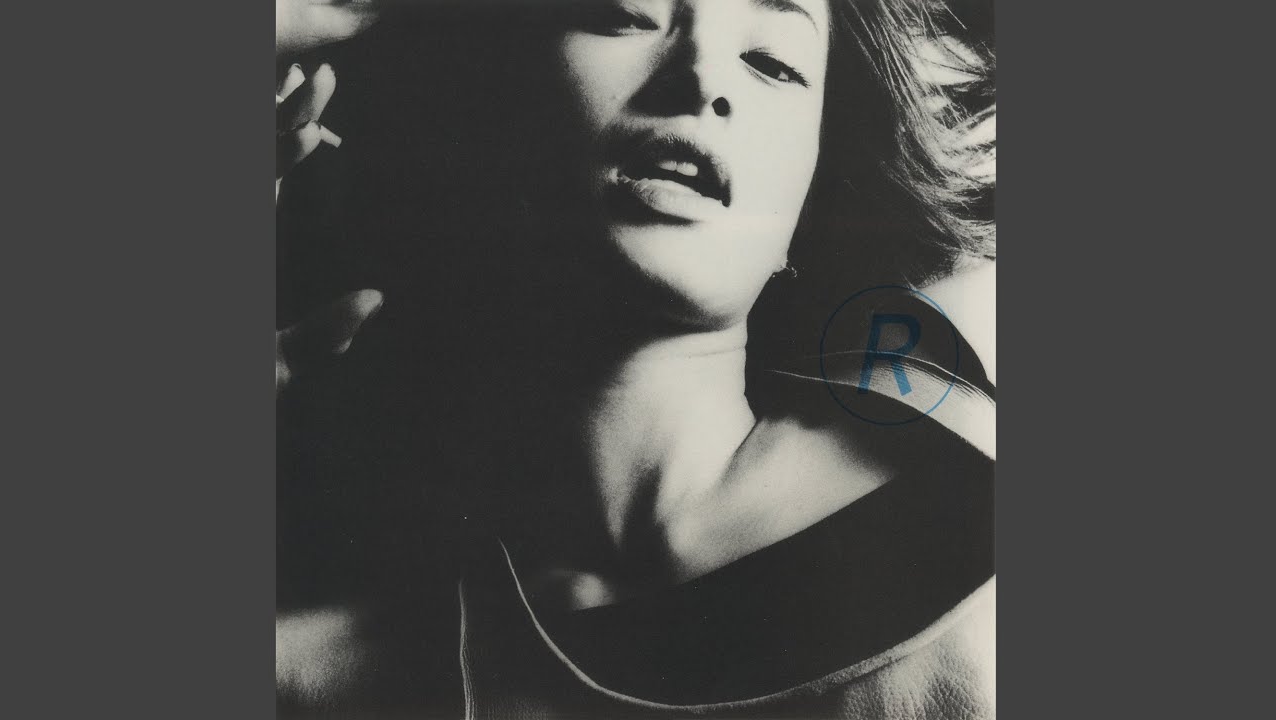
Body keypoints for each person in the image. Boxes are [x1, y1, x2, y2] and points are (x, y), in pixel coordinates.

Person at [274, 1, 996, 717]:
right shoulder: (321, 672)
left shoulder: (981, 554)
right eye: (624, 14)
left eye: (773, 62)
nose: (701, 77)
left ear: (812, 193)